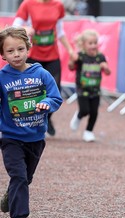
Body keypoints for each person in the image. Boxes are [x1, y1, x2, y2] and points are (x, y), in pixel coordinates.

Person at [0, 27, 63, 218]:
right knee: (18, 176)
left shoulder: (41, 74)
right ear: (3, 55)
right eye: (10, 51)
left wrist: (48, 103)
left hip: (36, 138)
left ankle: (11, 194)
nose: (15, 54)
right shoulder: (2, 77)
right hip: (10, 138)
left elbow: (56, 97)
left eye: (19, 49)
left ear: (28, 48)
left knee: (25, 178)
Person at [12, 0, 76, 136]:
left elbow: (60, 32)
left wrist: (70, 50)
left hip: (52, 55)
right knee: (31, 92)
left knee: (55, 91)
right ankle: (31, 124)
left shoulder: (58, 5)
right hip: (32, 55)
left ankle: (46, 118)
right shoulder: (27, 4)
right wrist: (26, 30)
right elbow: (14, 27)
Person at [68, 29, 111, 142]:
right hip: (82, 89)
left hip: (95, 90)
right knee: (85, 110)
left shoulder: (100, 57)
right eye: (90, 43)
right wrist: (72, 61)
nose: (93, 46)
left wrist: (105, 68)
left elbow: (108, 72)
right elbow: (71, 67)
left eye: (95, 43)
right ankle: (78, 116)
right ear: (83, 44)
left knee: (94, 112)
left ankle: (88, 131)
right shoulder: (81, 56)